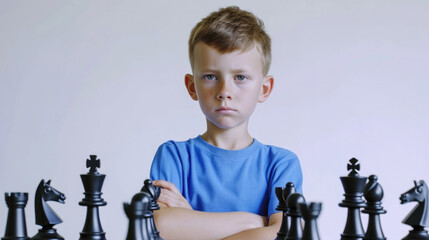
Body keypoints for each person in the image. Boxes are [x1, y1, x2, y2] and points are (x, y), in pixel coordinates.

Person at [150, 6, 303, 240]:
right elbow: (161, 226)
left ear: (264, 89)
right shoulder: (173, 156)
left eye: (240, 77)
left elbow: (284, 235)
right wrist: (255, 223)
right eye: (210, 76)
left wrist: (192, 223)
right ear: (192, 87)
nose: (225, 91)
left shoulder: (281, 164)